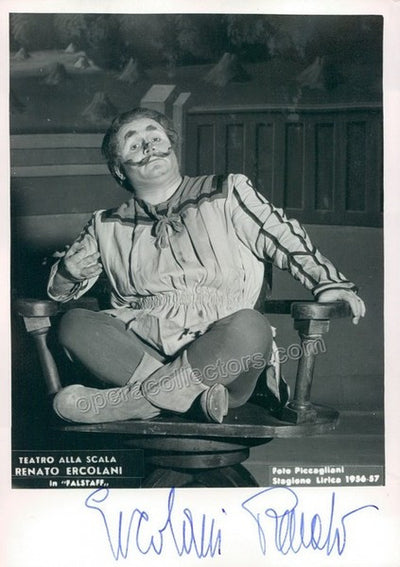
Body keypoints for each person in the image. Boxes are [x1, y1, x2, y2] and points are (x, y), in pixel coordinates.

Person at [48, 107, 366, 425]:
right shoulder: (105, 224)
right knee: (74, 323)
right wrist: (67, 272)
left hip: (224, 357)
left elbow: (283, 236)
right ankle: (187, 400)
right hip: (141, 351)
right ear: (119, 169)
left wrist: (329, 283)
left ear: (171, 146)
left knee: (250, 326)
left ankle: (134, 403)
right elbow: (60, 292)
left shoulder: (227, 191)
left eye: (155, 138)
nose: (148, 147)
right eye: (133, 144)